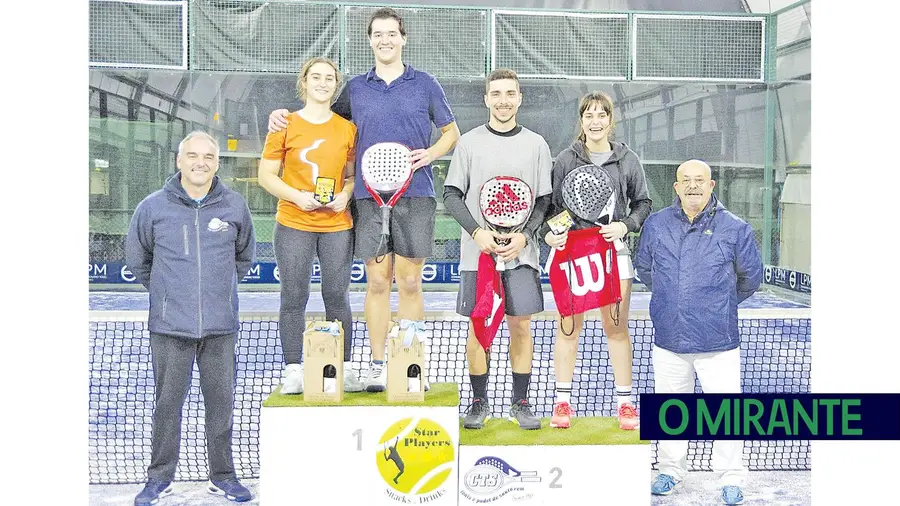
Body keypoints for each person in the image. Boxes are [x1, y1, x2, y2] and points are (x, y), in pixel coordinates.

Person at [268, 7, 460, 392]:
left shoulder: (425, 83)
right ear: (370, 40)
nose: (385, 40)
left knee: (408, 282)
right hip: (368, 198)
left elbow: (451, 132)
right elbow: (322, 118)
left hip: (416, 194)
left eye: (392, 33)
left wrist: (431, 153)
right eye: (378, 34)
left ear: (403, 38)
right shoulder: (355, 87)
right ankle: (374, 365)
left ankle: (410, 366)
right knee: (376, 282)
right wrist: (282, 116)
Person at [126, 131, 256, 505]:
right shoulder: (152, 207)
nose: (201, 162)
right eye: (193, 155)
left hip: (221, 328)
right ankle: (159, 479)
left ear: (217, 163)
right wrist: (171, 294)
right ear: (179, 160)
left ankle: (224, 476)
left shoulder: (235, 206)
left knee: (222, 407)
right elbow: (139, 262)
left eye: (209, 157)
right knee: (167, 407)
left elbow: (243, 258)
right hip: (169, 329)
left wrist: (215, 291)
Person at [634, 159, 762, 505]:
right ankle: (670, 471)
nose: (693, 186)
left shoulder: (736, 228)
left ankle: (732, 477)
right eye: (685, 180)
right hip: (669, 339)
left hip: (718, 341)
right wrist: (672, 300)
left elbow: (751, 277)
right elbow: (645, 268)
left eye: (699, 180)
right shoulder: (657, 225)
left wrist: (716, 303)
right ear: (676, 187)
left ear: (712, 185)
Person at [444, 69, 552, 430]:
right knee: (479, 329)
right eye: (496, 94)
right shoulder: (469, 143)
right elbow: (452, 195)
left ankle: (520, 402)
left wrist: (524, 236)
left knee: (520, 327)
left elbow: (544, 200)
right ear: (486, 99)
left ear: (519, 98)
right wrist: (477, 233)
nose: (503, 100)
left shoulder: (537, 144)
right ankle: (478, 402)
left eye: (510, 93)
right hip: (478, 256)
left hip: (521, 257)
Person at [541, 91, 651, 430]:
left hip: (614, 254)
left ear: (610, 120)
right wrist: (552, 234)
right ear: (582, 121)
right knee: (568, 328)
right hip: (572, 254)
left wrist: (624, 225)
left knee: (616, 329)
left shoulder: (627, 159)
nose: (595, 121)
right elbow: (551, 207)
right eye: (589, 115)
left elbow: (643, 203)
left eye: (601, 114)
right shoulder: (565, 160)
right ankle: (562, 403)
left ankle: (625, 404)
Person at [257, 57, 362, 394]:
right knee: (293, 297)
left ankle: (342, 368)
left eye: (329, 78)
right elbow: (266, 176)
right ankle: (292, 370)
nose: (322, 82)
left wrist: (346, 195)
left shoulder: (347, 130)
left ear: (336, 85)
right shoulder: (284, 124)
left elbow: (350, 177)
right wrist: (296, 197)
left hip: (336, 226)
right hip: (293, 223)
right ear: (304, 83)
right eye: (315, 77)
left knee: (337, 296)